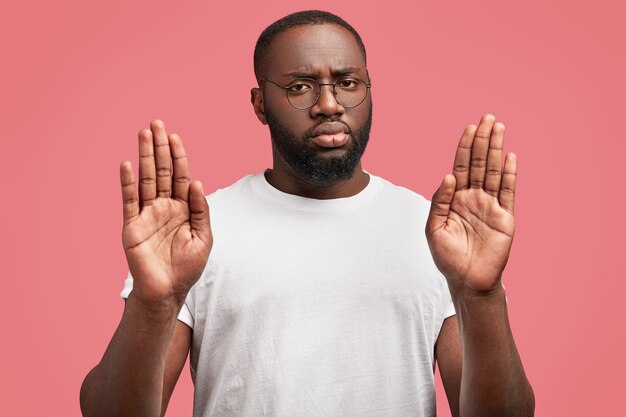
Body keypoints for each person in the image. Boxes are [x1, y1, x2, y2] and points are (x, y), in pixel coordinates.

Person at [80, 10, 534, 417]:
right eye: (300, 87)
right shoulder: (197, 234)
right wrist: (152, 302)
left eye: (347, 82)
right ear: (260, 104)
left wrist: (482, 295)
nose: (329, 104)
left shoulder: (436, 232)